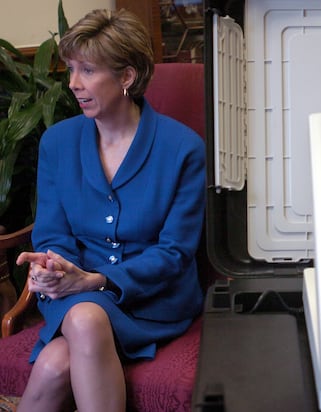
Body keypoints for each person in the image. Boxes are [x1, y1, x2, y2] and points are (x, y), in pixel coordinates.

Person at [15, 8, 206, 412]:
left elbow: (175, 253)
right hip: (72, 294)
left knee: (55, 362)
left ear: (126, 77)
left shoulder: (183, 149)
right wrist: (54, 270)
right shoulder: (57, 142)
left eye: (87, 70)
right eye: (70, 69)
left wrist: (97, 280)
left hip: (151, 301)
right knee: (81, 322)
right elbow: (52, 235)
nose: (72, 84)